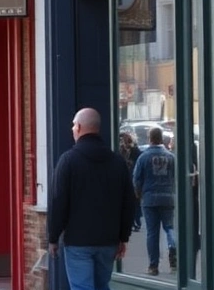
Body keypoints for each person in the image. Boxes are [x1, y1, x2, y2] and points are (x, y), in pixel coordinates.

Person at [48, 108, 136, 290]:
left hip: (78, 241)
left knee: (82, 287)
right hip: (108, 240)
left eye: (73, 125)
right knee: (101, 285)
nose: (72, 129)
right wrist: (123, 237)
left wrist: (53, 237)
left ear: (79, 127)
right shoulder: (117, 162)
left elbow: (58, 202)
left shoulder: (68, 161)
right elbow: (128, 201)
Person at [133, 126, 177, 276]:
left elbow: (136, 179)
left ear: (150, 138)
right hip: (168, 198)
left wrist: (139, 195)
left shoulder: (144, 157)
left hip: (150, 199)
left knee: (152, 233)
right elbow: (176, 177)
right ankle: (173, 249)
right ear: (161, 138)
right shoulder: (170, 156)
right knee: (169, 228)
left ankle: (153, 266)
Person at [118, 132, 142, 232]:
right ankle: (133, 222)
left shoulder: (135, 151)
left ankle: (135, 221)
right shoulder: (121, 151)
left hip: (131, 179)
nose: (122, 143)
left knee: (134, 202)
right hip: (125, 179)